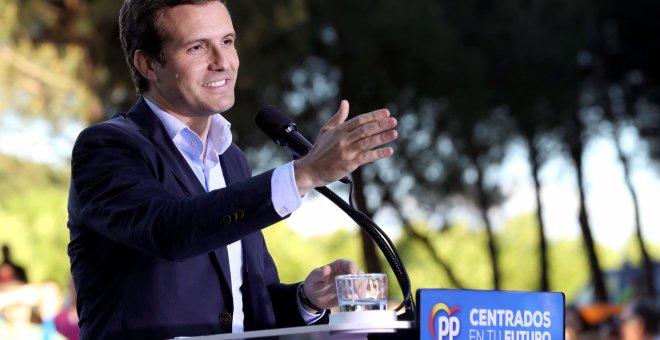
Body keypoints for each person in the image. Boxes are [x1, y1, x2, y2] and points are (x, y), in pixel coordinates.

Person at [66, 0, 398, 338]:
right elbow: (168, 230)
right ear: (148, 64)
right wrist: (304, 173)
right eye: (197, 47)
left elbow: (243, 306)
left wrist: (307, 300)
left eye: (227, 41)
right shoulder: (106, 147)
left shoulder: (232, 159)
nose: (223, 62)